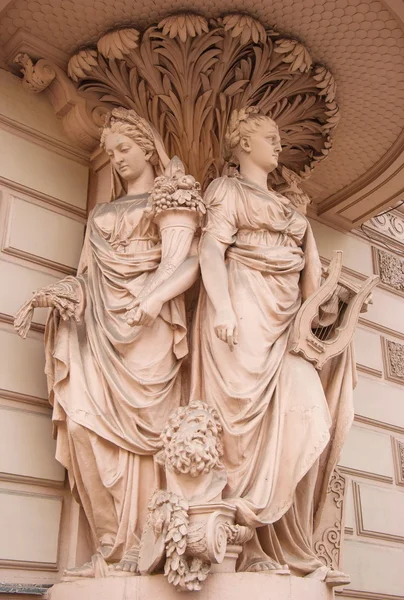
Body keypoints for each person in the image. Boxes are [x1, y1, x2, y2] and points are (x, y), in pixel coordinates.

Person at [14, 108, 199, 576]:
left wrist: (155, 299)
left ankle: (150, 543)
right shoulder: (101, 213)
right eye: (111, 151)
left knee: (153, 440)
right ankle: (112, 546)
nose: (117, 159)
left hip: (149, 332)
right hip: (98, 330)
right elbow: (86, 278)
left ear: (148, 148)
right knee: (81, 427)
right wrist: (59, 293)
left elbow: (187, 263)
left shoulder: (167, 202)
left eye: (125, 148)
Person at [191, 107, 354, 582]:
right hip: (242, 314)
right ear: (243, 144)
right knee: (240, 428)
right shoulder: (226, 190)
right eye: (269, 136)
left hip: (287, 328)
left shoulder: (290, 207)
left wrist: (330, 307)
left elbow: (312, 287)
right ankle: (240, 542)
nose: (278, 144)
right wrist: (221, 307)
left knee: (308, 415)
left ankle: (285, 541)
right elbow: (209, 251)